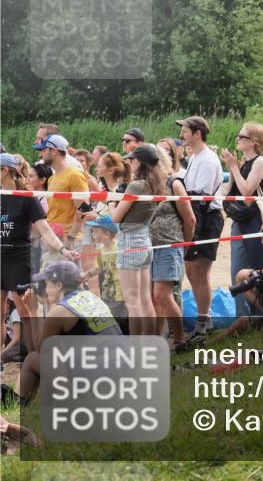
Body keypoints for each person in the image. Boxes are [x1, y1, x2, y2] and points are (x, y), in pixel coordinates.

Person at [13, 261, 121, 403]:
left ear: (59, 285)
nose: (45, 288)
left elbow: (39, 351)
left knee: (32, 359)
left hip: (99, 380)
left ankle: (17, 402)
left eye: (47, 283)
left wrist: (33, 312)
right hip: (121, 374)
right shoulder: (91, 298)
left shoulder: (59, 311)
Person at [1, 153, 78, 337]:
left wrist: (62, 249)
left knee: (26, 311)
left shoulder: (27, 197)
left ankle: (39, 350)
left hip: (19, 259)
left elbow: (45, 229)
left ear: (4, 171)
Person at [177, 116, 225, 337]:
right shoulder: (196, 157)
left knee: (200, 271)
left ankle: (204, 322)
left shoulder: (207, 159)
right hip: (196, 215)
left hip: (207, 216)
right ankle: (205, 318)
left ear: (197, 133)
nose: (181, 135)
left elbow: (201, 197)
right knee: (191, 269)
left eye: (185, 131)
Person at [220, 122, 263, 316]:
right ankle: (243, 315)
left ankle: (262, 312)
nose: (237, 139)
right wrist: (232, 167)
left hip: (256, 221)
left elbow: (248, 193)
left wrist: (233, 166)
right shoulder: (244, 162)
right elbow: (232, 191)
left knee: (257, 265)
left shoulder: (261, 162)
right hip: (241, 220)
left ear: (254, 141)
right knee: (237, 268)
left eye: (241, 137)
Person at [147, 148, 196, 350]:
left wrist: (183, 245)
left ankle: (179, 339)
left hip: (170, 244)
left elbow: (190, 219)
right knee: (153, 298)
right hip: (149, 248)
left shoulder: (173, 183)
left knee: (162, 295)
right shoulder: (145, 187)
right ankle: (158, 339)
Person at [110, 144, 161, 335]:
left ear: (140, 162)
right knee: (144, 299)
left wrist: (111, 204)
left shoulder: (136, 185)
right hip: (144, 238)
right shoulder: (155, 184)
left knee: (132, 301)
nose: (130, 164)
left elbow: (116, 217)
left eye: (132, 160)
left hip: (130, 240)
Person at [33, 134, 90, 256]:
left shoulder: (74, 174)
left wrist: (70, 238)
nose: (40, 154)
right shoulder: (52, 178)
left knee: (68, 274)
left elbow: (84, 209)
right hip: (54, 240)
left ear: (54, 151)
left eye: (43, 150)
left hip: (67, 240)